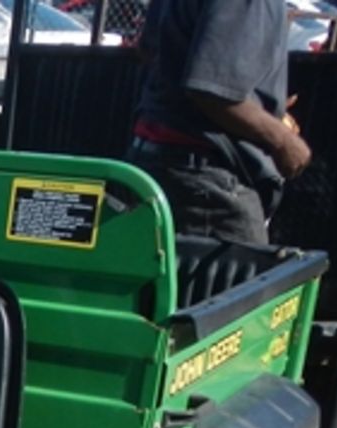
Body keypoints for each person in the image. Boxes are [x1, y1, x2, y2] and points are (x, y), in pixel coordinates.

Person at [127, 0, 312, 246]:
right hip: (208, 183)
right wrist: (284, 140)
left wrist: (261, 106)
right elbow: (213, 93)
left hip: (155, 160)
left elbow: (149, 50)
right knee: (244, 283)